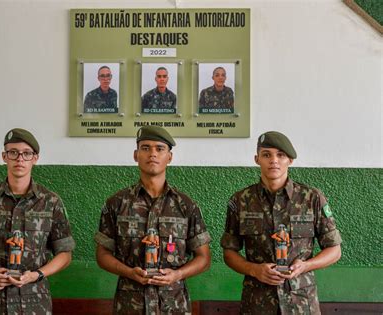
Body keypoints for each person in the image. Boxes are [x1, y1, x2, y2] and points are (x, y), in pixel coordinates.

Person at [221, 131, 342, 314]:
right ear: (257, 159)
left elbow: (334, 250)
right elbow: (229, 253)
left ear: (290, 160)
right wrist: (254, 270)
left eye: (281, 155)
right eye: (266, 155)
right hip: (257, 303)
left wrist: (306, 265)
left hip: (301, 304)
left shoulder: (312, 198)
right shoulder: (241, 201)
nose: (274, 160)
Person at [95, 125, 211, 314]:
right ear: (136, 155)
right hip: (130, 305)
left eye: (160, 148)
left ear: (170, 157)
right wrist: (129, 272)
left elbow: (204, 258)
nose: (153, 154)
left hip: (173, 305)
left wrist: (177, 274)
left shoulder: (186, 205)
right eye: (146, 148)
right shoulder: (117, 203)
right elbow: (102, 256)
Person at [0, 128, 76, 314]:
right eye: (13, 152)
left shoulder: (50, 202)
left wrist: (37, 275)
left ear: (35, 158)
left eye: (26, 153)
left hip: (34, 304)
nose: (20, 159)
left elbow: (65, 255)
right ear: (4, 156)